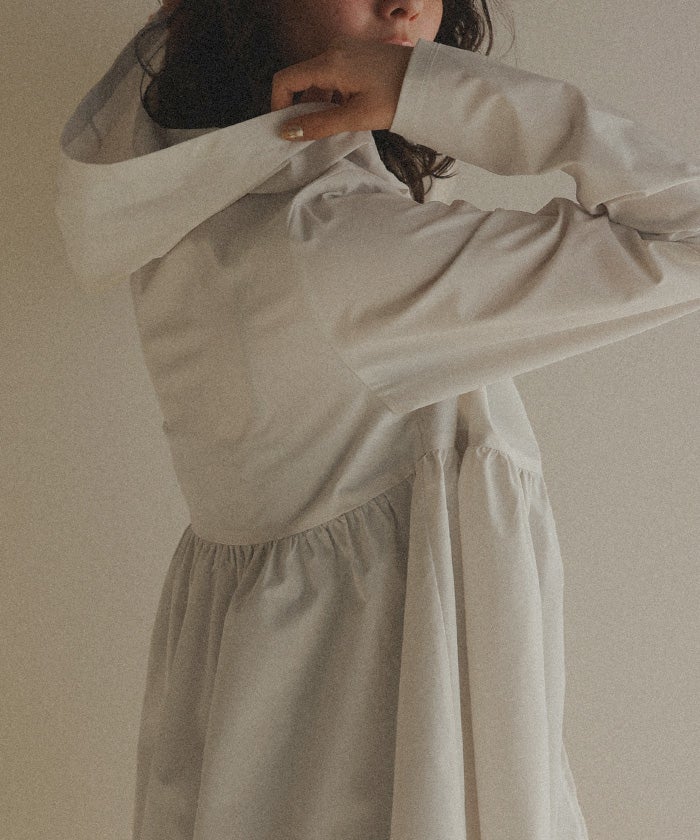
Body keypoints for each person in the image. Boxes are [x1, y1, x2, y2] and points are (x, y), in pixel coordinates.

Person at [54, 1, 700, 838]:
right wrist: (439, 91)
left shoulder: (204, 213)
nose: (404, 4)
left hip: (264, 750)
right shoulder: (335, 242)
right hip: (377, 774)